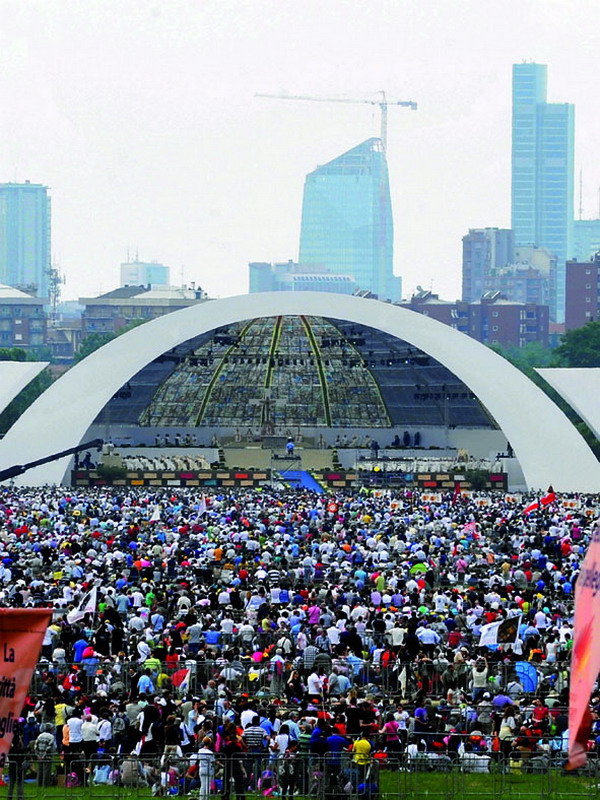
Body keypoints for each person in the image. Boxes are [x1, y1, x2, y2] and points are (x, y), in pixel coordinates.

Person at [7, 723, 27, 800]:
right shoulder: (21, 750)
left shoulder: (10, 750)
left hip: (12, 768)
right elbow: (26, 750)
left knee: (11, 785)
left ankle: (9, 797)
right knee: (20, 784)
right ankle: (20, 798)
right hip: (19, 768)